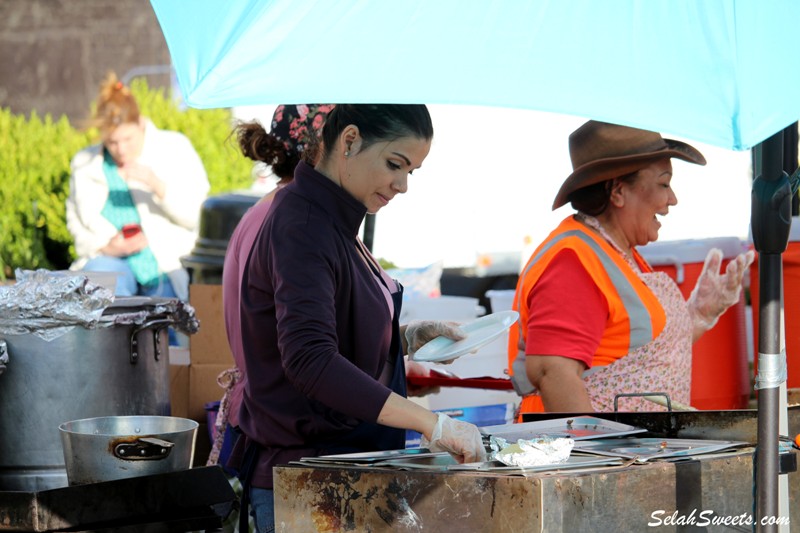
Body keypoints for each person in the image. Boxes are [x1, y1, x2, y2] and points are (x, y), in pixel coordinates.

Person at [230, 104, 487, 533]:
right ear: (349, 141)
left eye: (412, 172)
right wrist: (431, 422)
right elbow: (310, 361)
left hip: (338, 473)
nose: (402, 185)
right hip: (309, 480)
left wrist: (402, 338)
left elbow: (329, 332)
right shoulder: (303, 224)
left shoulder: (331, 220)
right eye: (394, 164)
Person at [507, 120, 755, 415]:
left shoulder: (617, 252)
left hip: (636, 455)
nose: (671, 200)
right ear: (618, 192)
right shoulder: (574, 261)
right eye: (664, 184)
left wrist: (699, 314)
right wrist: (598, 455)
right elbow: (552, 372)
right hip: (599, 457)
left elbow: (638, 359)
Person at [65, 71, 210, 302]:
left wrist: (158, 186)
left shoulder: (175, 148)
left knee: (168, 322)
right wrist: (105, 247)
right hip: (110, 261)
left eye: (128, 139)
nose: (121, 149)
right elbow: (75, 221)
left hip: (165, 263)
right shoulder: (86, 164)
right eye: (112, 142)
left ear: (141, 124)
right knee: (106, 295)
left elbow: (198, 215)